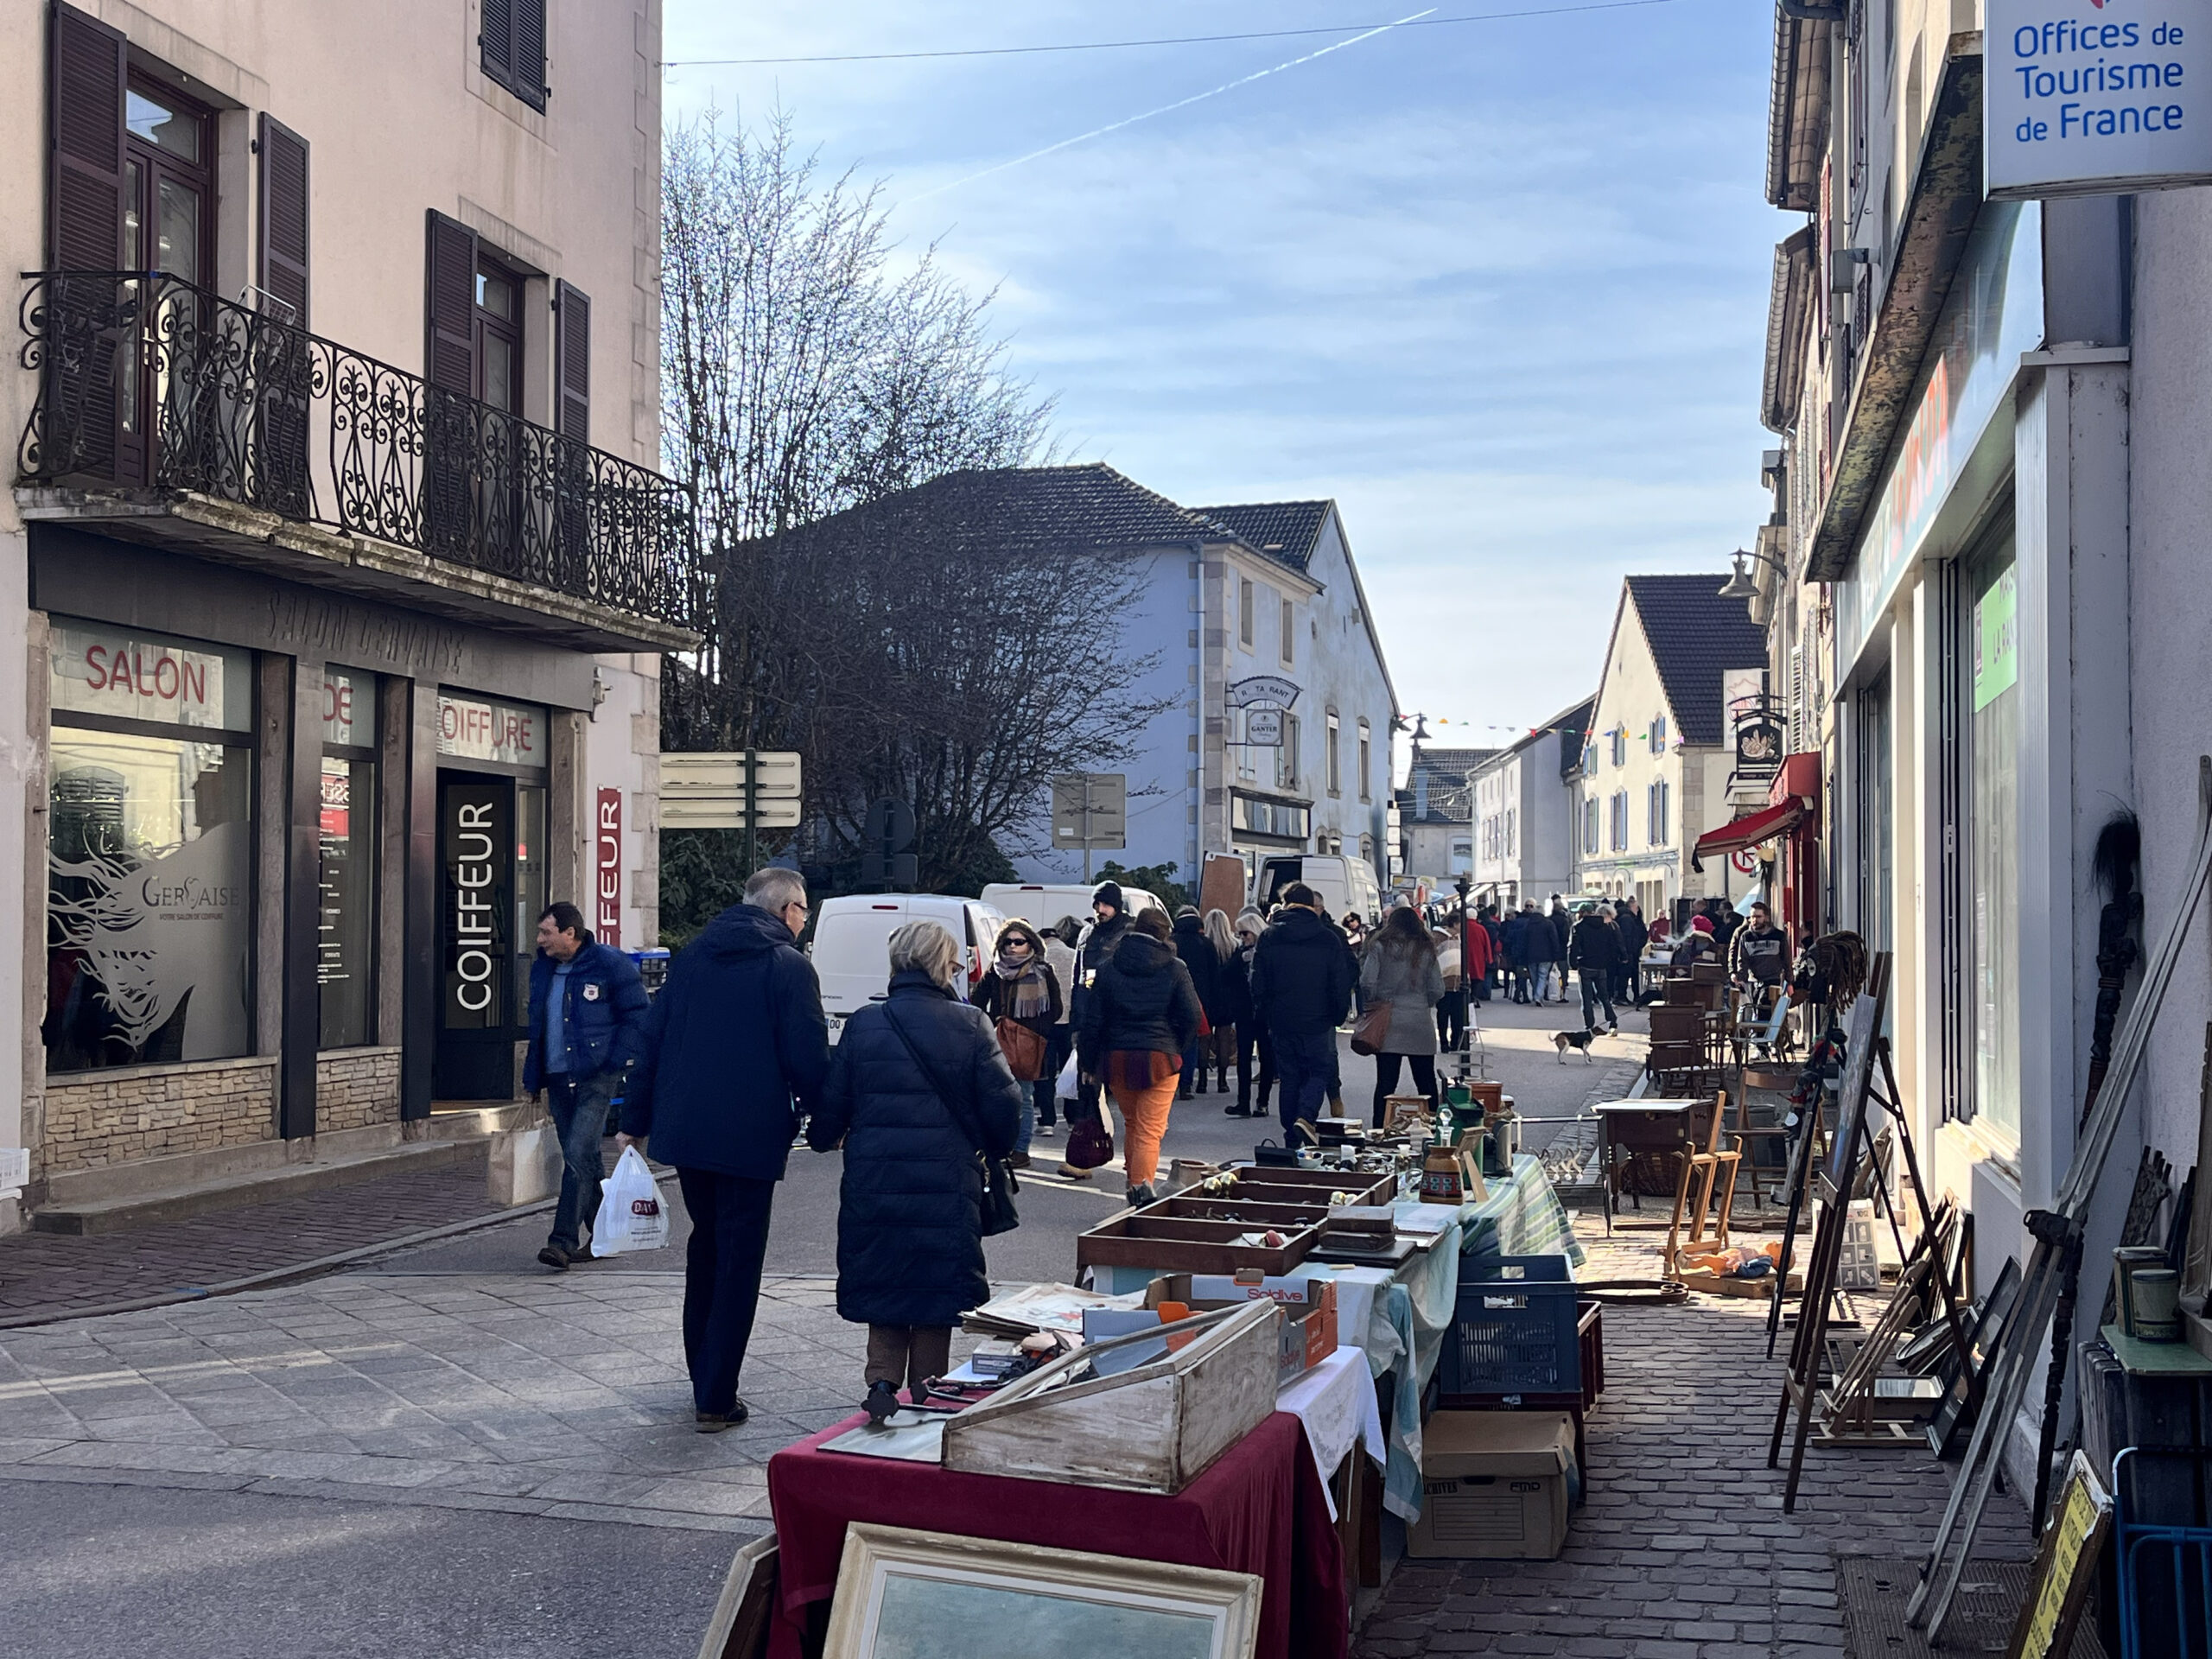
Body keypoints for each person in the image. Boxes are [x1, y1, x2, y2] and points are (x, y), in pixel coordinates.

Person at [620, 868, 829, 1432]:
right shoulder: (788, 967)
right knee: (738, 1259)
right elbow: (807, 1058)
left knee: (707, 1247)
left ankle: (703, 1378)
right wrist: (829, 1124)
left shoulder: (693, 959)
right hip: (750, 1135)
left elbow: (652, 1039)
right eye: (803, 910)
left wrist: (633, 1120)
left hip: (688, 1132)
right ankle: (715, 1395)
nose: (804, 920)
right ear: (785, 909)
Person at [809, 920, 1023, 1424]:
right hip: (946, 1180)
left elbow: (832, 1105)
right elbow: (1005, 1104)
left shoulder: (866, 1023)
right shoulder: (970, 1024)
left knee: (885, 1278)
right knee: (935, 1286)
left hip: (875, 1178)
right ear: (944, 964)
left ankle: (882, 1383)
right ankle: (926, 1390)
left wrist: (824, 1135)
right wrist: (992, 1148)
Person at [523, 902, 650, 1272]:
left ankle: (561, 1241)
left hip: (595, 1076)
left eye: (546, 932)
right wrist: (533, 1078)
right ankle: (604, 1233)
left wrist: (615, 1061)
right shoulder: (543, 968)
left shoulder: (608, 964)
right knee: (585, 1157)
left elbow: (638, 1016)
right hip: (557, 1078)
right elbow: (538, 1026)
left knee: (577, 1154)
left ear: (570, 933)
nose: (540, 939)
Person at [1077, 907, 1202, 1206]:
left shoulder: (1108, 966)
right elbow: (1192, 1015)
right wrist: (1177, 1046)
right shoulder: (1175, 967)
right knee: (1149, 1131)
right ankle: (1140, 1194)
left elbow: (1093, 1021)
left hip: (1117, 1056)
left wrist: (1088, 1062)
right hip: (1160, 1057)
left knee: (1134, 1124)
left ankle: (1133, 1183)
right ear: (1164, 933)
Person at [1247, 882, 1357, 1141]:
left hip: (1282, 1019)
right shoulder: (1327, 938)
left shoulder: (1269, 937)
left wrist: (1265, 1013)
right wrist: (1337, 1015)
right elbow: (1339, 982)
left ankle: (1291, 1134)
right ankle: (1305, 1117)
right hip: (1318, 1019)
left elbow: (1257, 981)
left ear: (1286, 904)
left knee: (1290, 1077)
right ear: (1312, 906)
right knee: (1318, 1071)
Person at [970, 918, 1063, 1170]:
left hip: (1028, 1045)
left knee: (1024, 1097)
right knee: (993, 1096)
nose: (1012, 946)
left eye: (1018, 942)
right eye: (1007, 942)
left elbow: (1055, 1009)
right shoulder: (995, 971)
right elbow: (977, 1002)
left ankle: (1021, 1151)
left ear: (1030, 944)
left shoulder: (1043, 971)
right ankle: (998, 1148)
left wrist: (1033, 1032)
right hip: (998, 1042)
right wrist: (993, 1026)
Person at [1058, 882, 1135, 1179]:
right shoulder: (1086, 934)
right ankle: (1083, 1157)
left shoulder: (1129, 933)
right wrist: (1076, 1019)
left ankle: (1135, 1160)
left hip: (1118, 1020)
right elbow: (1078, 978)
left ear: (1117, 905)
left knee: (1128, 1093)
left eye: (1105, 904)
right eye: (1097, 904)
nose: (1100, 910)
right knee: (1087, 1088)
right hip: (1089, 1019)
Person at [1361, 907, 1446, 1127]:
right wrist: (1424, 1003)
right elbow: (1437, 988)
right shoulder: (1426, 948)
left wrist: (1377, 1000)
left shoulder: (1379, 946)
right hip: (1419, 1020)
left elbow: (1367, 982)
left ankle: (1379, 1129)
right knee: (1426, 1082)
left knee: (1385, 1083)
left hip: (1388, 1020)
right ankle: (1433, 1128)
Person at [1035, 917, 1083, 1140]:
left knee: (1045, 1073)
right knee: (1069, 1072)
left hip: (1045, 1023)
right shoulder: (1073, 955)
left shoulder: (1039, 959)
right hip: (1069, 1022)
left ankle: (1047, 1121)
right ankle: (1072, 1119)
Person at [1226, 909, 1274, 1118]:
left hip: (1263, 1011)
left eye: (1245, 933)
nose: (1242, 937)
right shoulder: (1240, 952)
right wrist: (1241, 960)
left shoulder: (1268, 951)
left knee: (1267, 1056)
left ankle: (1262, 1102)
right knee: (1244, 1057)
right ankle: (1243, 1102)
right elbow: (1225, 974)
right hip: (1245, 1011)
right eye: (1240, 934)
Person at [1171, 906, 1221, 1099]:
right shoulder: (1206, 944)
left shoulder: (1172, 943)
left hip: (1173, 998)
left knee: (1173, 1040)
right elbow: (1214, 976)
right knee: (1192, 1040)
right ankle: (1187, 1084)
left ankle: (1172, 1081)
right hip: (1200, 998)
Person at [1201, 907, 1243, 1093]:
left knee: (1204, 1038)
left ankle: (1202, 1081)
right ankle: (1222, 1081)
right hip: (1227, 998)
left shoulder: (1204, 945)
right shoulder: (1233, 946)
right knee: (1224, 1038)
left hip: (1208, 996)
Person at [1567, 901, 1622, 1033]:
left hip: (1585, 965)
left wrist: (1573, 963)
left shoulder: (1578, 927)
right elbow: (1611, 946)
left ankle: (1589, 1025)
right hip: (1601, 966)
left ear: (1583, 913)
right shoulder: (1605, 926)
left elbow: (1574, 947)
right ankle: (1612, 1021)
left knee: (1587, 998)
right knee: (1603, 996)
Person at [1731, 899, 1791, 1014]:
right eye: (1752, 917)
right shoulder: (1746, 937)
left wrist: (1789, 982)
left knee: (1763, 1009)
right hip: (1753, 982)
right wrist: (1740, 979)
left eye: (1758, 917)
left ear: (1766, 918)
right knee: (1755, 1010)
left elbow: (1786, 960)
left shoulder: (1778, 936)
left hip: (1772, 980)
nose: (1755, 920)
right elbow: (1742, 960)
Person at [1433, 925, 1465, 1052]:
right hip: (1449, 981)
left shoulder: (1459, 937)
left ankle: (1449, 1042)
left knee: (1448, 1015)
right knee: (1452, 1015)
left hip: (1451, 981)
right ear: (1454, 924)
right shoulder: (1440, 938)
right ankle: (1450, 1042)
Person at [1615, 895, 1649, 1007]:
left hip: (1633, 951)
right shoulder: (1627, 919)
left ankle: (1633, 996)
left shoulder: (1634, 919)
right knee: (1624, 975)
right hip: (1629, 952)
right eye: (1636, 907)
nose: (1638, 910)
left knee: (1632, 975)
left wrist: (1639, 945)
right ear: (1631, 907)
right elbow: (1626, 937)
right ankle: (1621, 996)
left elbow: (1642, 934)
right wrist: (1627, 951)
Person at [1464, 906, 1495, 1006]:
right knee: (1477, 978)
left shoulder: (1462, 928)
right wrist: (1489, 958)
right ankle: (1474, 997)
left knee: (1465, 978)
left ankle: (1467, 997)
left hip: (1464, 957)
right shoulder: (1481, 929)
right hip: (1478, 957)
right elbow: (1487, 944)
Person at [1546, 896, 1573, 1004]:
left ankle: (1547, 993)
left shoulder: (1548, 920)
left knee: (1550, 973)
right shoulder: (1564, 920)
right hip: (1562, 950)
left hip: (1549, 950)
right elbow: (1566, 936)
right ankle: (1561, 994)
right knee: (1562, 974)